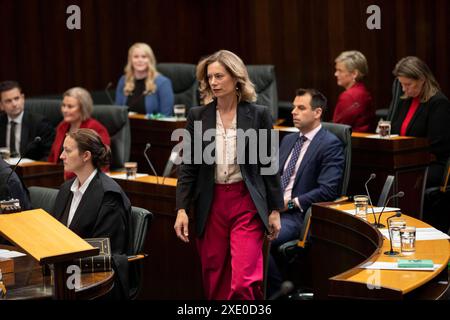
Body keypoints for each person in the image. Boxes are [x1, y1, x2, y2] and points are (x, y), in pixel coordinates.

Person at [174, 50, 283, 300]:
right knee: (215, 278)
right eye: (209, 77)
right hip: (210, 204)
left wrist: (275, 209)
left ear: (236, 78)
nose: (213, 83)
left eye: (219, 76)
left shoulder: (258, 115)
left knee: (244, 281)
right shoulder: (197, 116)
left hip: (245, 201)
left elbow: (268, 164)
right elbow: (188, 167)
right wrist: (182, 209)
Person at [267, 88, 345, 297]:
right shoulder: (288, 140)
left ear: (317, 112)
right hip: (273, 209)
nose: (293, 112)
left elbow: (328, 190)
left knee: (259, 238)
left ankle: (275, 293)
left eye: (301, 108)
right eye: (293, 107)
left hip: (298, 216)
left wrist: (290, 203)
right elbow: (273, 176)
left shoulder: (330, 144)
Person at [51, 129, 131, 298]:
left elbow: (103, 253)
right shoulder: (66, 189)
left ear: (86, 156)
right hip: (64, 272)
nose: (61, 156)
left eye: (68, 150)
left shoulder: (109, 196)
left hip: (96, 280)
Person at [391, 56, 450, 188]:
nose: (404, 89)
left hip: (430, 164)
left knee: (401, 182)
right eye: (401, 84)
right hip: (405, 162)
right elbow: (395, 132)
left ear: (422, 79)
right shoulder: (405, 101)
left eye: (408, 84)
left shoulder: (438, 103)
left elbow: (437, 145)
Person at [48, 87, 110, 179]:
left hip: (84, 180)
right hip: (58, 178)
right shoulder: (62, 126)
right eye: (63, 105)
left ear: (83, 108)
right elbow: (53, 157)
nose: (65, 110)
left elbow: (100, 162)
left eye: (70, 106)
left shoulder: (95, 128)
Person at [115, 42, 174, 116]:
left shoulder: (163, 83)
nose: (140, 60)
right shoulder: (123, 80)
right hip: (127, 126)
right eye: (136, 57)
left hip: (153, 126)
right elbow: (117, 113)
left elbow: (166, 115)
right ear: (130, 60)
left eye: (144, 57)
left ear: (150, 60)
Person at [0, 81, 54, 160]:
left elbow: (49, 155)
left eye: (16, 98)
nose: (14, 104)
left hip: (30, 170)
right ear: (1, 105)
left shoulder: (40, 123)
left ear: (22, 98)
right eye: (8, 101)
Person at [332, 51, 375, 132]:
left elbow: (338, 129)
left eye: (340, 70)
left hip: (353, 142)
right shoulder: (362, 91)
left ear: (354, 73)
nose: (336, 74)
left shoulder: (350, 96)